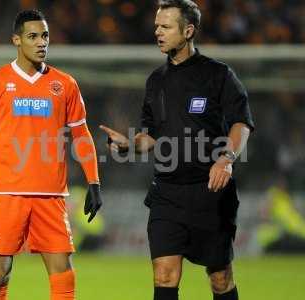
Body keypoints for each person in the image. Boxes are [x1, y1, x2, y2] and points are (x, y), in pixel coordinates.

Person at [100, 1, 254, 300]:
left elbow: (242, 124)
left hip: (210, 193)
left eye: (165, 26)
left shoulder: (218, 75)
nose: (157, 32)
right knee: (164, 275)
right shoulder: (156, 81)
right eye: (157, 25)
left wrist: (226, 158)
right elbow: (151, 138)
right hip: (167, 193)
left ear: (188, 31)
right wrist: (129, 146)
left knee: (220, 279)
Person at [0, 9, 102, 300]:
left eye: (45, 36)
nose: (41, 42)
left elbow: (82, 135)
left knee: (64, 271)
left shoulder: (65, 84)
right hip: (6, 193)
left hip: (51, 195)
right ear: (16, 40)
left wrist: (94, 182)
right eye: (33, 36)